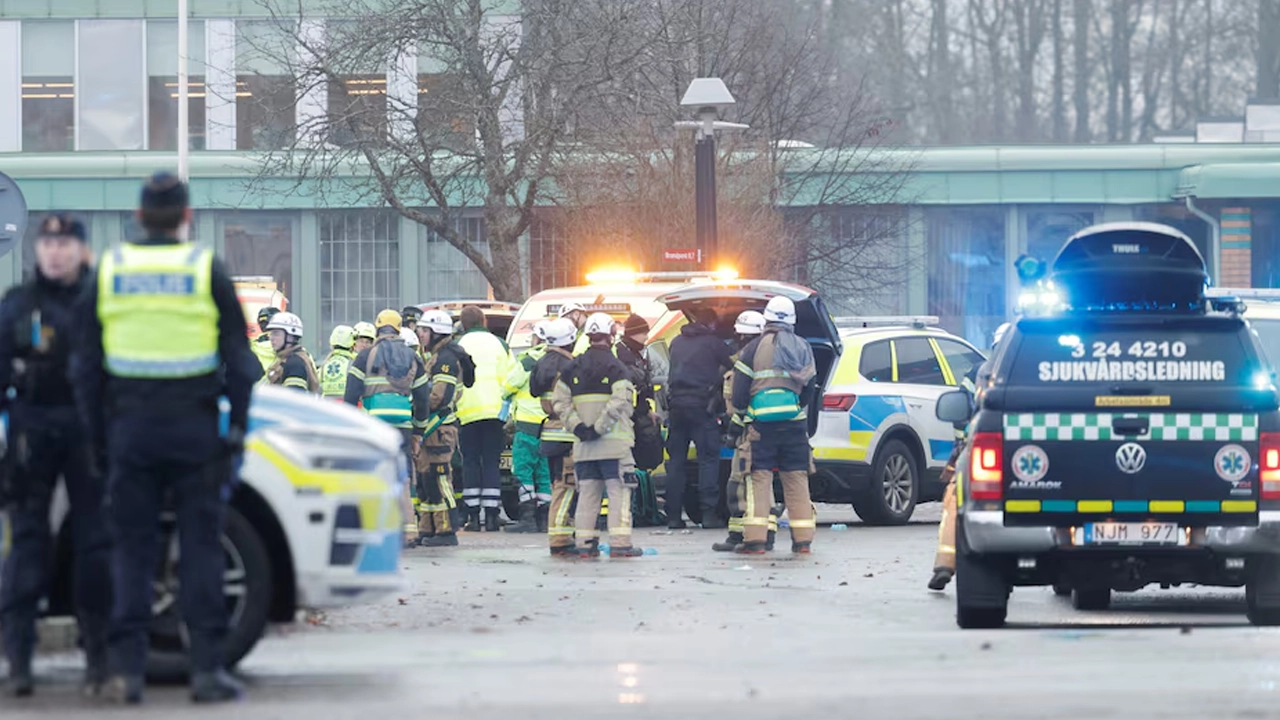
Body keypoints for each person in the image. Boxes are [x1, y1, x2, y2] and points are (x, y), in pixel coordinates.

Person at [73, 171, 262, 703]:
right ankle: (205, 671)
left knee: (132, 549)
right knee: (200, 547)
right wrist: (238, 431)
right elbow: (241, 364)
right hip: (194, 430)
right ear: (186, 217)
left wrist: (97, 439)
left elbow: (86, 367)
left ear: (137, 216)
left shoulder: (110, 269)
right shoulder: (205, 269)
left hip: (130, 431)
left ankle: (128, 673)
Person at [0, 215, 111, 698]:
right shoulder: (18, 304)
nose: (55, 252)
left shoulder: (102, 304)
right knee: (27, 545)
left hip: (88, 431)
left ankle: (99, 657)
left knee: (94, 546)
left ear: (80, 251)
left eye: (64, 243)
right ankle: (19, 659)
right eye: (48, 243)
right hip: (32, 429)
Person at [730, 296, 817, 555]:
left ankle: (755, 541)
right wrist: (796, 407)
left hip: (761, 427)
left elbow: (739, 391)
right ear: (792, 321)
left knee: (759, 481)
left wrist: (741, 416)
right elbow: (811, 387)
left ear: (766, 319)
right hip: (794, 426)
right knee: (797, 481)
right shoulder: (803, 347)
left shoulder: (753, 349)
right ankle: (803, 542)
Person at [552, 313, 643, 559]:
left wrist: (579, 428)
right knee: (619, 494)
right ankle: (620, 543)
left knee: (588, 496)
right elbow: (620, 402)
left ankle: (585, 544)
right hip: (614, 448)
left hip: (584, 448)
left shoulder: (571, 367)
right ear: (611, 335)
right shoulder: (617, 368)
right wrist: (599, 428)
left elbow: (559, 403)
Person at [929, 321, 1008, 590]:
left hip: (979, 453)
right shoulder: (1039, 369)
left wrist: (962, 444)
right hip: (1032, 458)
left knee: (955, 502)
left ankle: (944, 564)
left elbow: (960, 413)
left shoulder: (978, 373)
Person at [343, 309, 432, 548]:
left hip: (374, 424)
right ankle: (408, 531)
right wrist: (418, 431)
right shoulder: (414, 358)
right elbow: (423, 398)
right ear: (400, 327)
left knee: (375, 472)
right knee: (402, 474)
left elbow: (351, 394)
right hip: (402, 423)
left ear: (377, 328)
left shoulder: (365, 356)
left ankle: (378, 528)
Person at [713, 311, 778, 552]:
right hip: (747, 429)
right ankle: (739, 533)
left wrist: (735, 426)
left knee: (752, 482)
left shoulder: (751, 362)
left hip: (752, 429)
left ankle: (762, 533)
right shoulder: (749, 359)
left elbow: (743, 399)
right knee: (742, 483)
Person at [665, 307, 734, 529]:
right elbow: (736, 365)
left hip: (676, 407)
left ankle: (673, 516)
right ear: (712, 324)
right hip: (702, 408)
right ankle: (708, 514)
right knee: (708, 460)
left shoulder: (676, 342)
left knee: (676, 462)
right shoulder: (714, 343)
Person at [414, 310, 474, 547]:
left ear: (437, 332)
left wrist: (416, 405)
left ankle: (447, 529)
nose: (420, 334)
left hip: (440, 427)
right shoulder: (437, 355)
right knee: (426, 479)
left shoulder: (446, 359)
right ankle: (429, 528)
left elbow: (439, 396)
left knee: (439, 478)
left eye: (424, 330)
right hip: (433, 427)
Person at [455, 305, 513, 531]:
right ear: (484, 321)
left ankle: (472, 517)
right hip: (495, 413)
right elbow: (510, 379)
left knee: (470, 462)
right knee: (491, 462)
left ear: (463, 324)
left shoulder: (459, 345)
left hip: (467, 412)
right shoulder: (499, 344)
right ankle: (491, 516)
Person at [529, 318, 580, 556]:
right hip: (568, 433)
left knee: (556, 483)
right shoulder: (571, 366)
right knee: (566, 486)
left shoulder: (540, 364)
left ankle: (564, 532)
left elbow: (534, 391)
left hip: (549, 433)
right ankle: (560, 537)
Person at [502, 320, 552, 533]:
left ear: (538, 338)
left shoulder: (528, 361)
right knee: (544, 472)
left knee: (523, 470)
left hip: (528, 425)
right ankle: (545, 518)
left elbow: (508, 386)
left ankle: (528, 518)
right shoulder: (557, 360)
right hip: (550, 426)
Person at [262, 311, 319, 393]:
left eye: (276, 333)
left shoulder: (295, 364)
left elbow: (294, 398)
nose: (271, 338)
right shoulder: (284, 359)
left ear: (290, 337)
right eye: (271, 334)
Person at [320, 325, 357, 400]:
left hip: (325, 408)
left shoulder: (324, 365)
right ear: (352, 345)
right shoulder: (353, 363)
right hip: (346, 408)